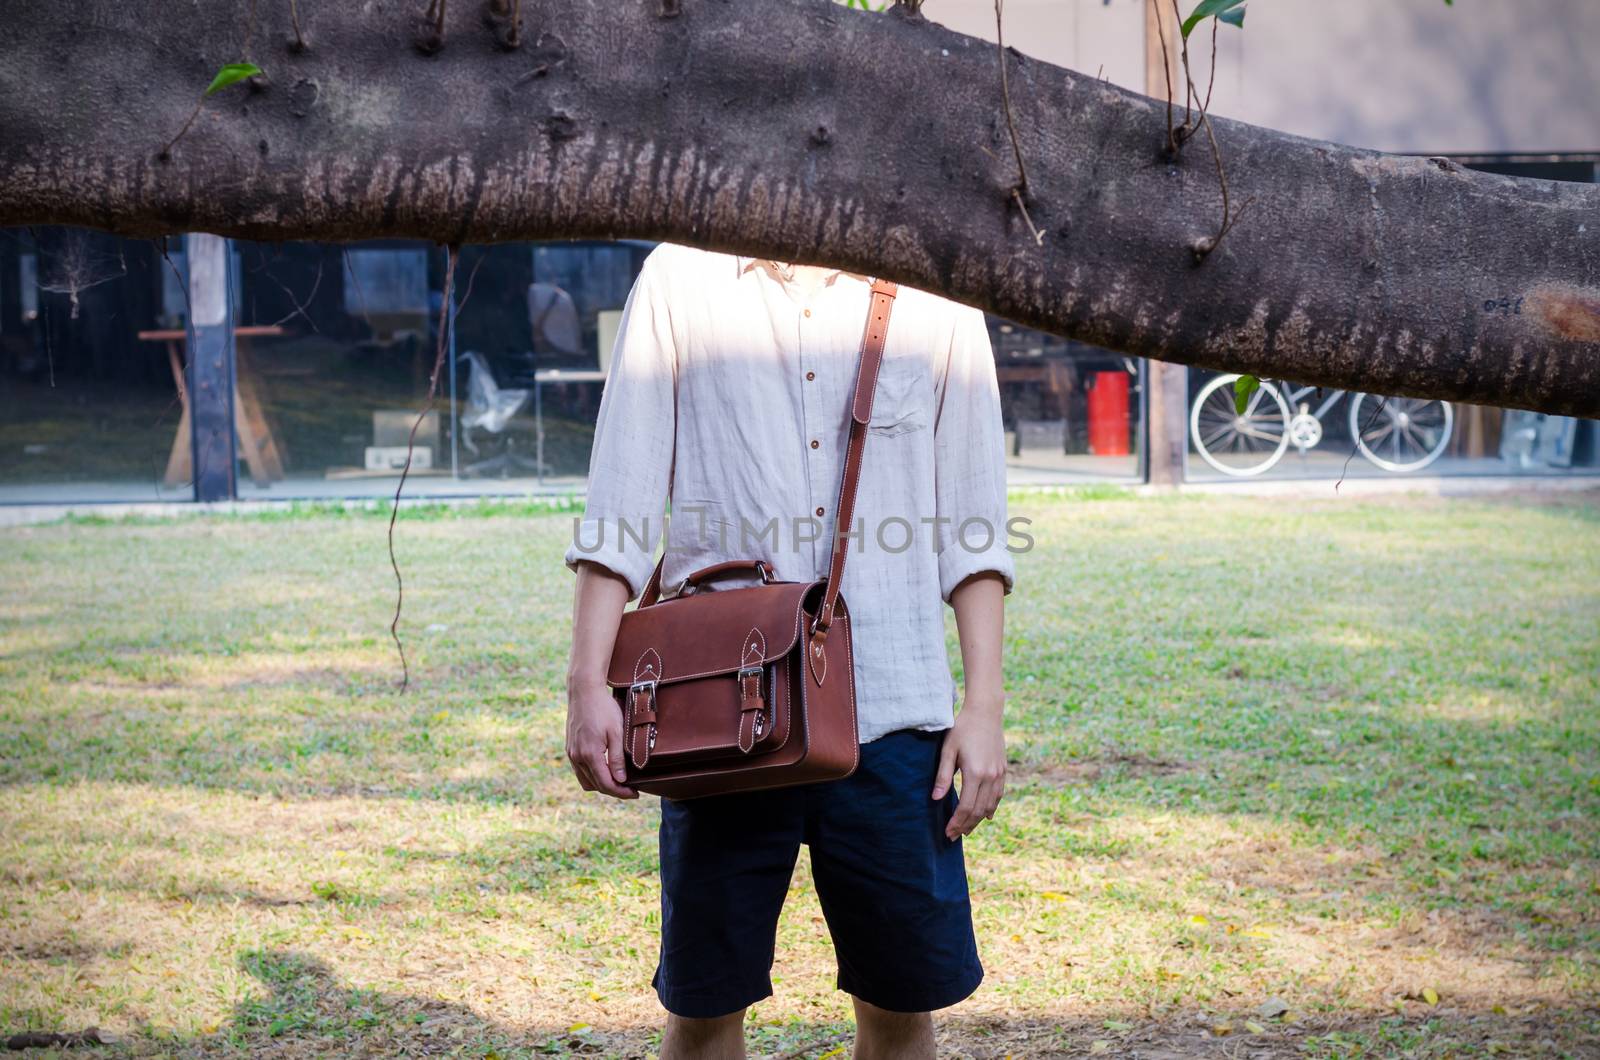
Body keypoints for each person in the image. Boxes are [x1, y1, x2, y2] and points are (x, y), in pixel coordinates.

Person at [563, 242, 1014, 1059]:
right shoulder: (679, 276)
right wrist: (585, 682)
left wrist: (984, 707)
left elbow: (975, 526)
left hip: (894, 714)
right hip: (719, 713)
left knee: (902, 1008)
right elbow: (619, 501)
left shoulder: (935, 283)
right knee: (702, 1017)